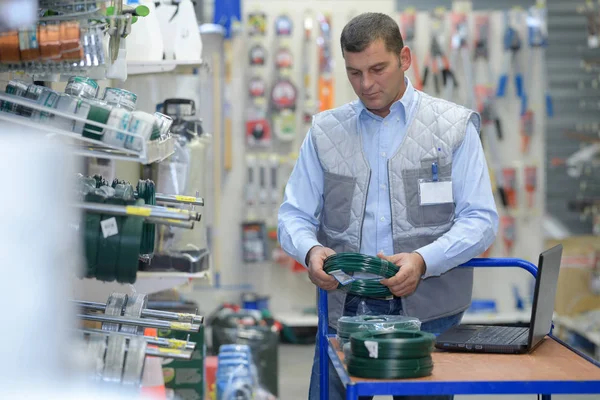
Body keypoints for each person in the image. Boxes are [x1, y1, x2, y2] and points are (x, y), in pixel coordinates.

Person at [277, 12, 498, 400]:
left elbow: (480, 220)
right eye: (354, 72)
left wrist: (423, 261)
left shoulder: (453, 127)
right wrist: (310, 250)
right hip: (346, 307)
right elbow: (293, 215)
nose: (366, 84)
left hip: (430, 312)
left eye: (378, 68)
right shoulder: (325, 132)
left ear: (405, 59)